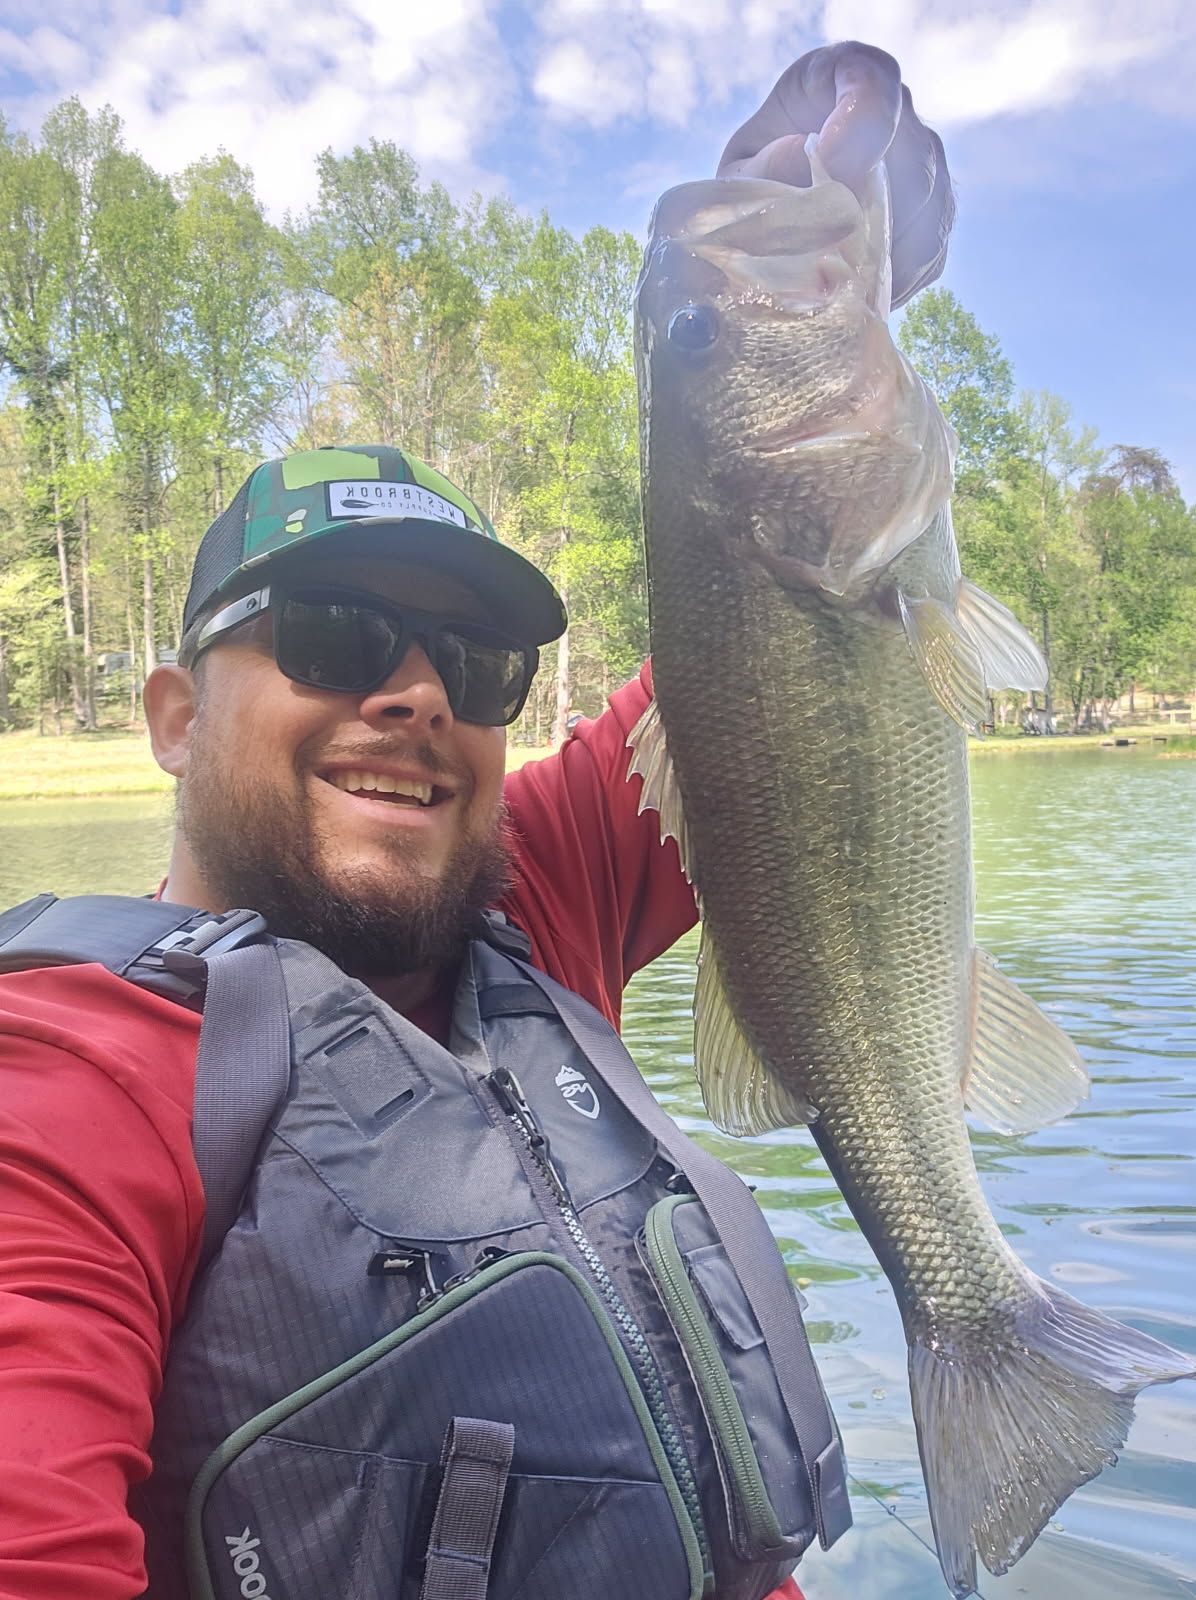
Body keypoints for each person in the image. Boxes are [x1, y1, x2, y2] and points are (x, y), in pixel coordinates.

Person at [0, 43, 952, 1600]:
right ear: (175, 718)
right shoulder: (65, 1095)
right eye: (334, 636)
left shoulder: (534, 900)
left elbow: (778, 642)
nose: (419, 694)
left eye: (479, 661)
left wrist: (821, 280)